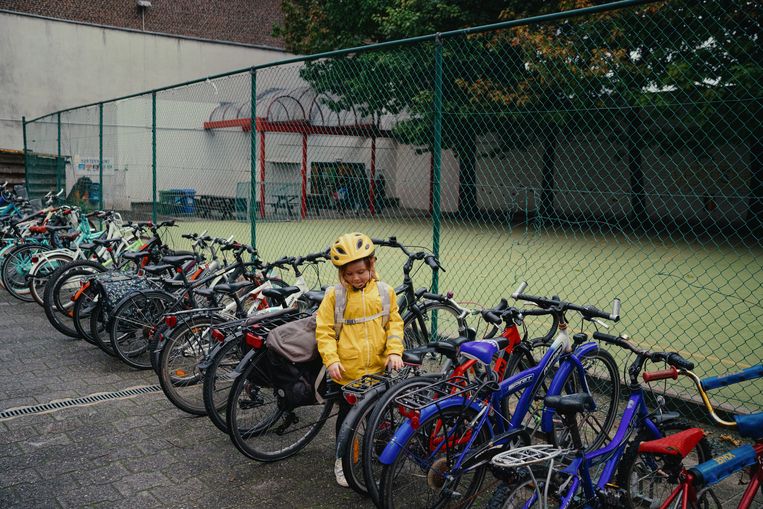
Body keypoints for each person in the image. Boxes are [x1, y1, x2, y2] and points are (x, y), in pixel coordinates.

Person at [315, 232, 404, 487]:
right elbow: (324, 330)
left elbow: (395, 325)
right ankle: (343, 461)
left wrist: (395, 352)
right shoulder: (336, 296)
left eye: (361, 272)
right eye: (349, 274)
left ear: (371, 265)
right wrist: (331, 360)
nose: (355, 278)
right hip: (348, 373)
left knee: (381, 415)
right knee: (348, 421)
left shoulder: (386, 293)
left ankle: (380, 453)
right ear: (341, 273)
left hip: (379, 370)